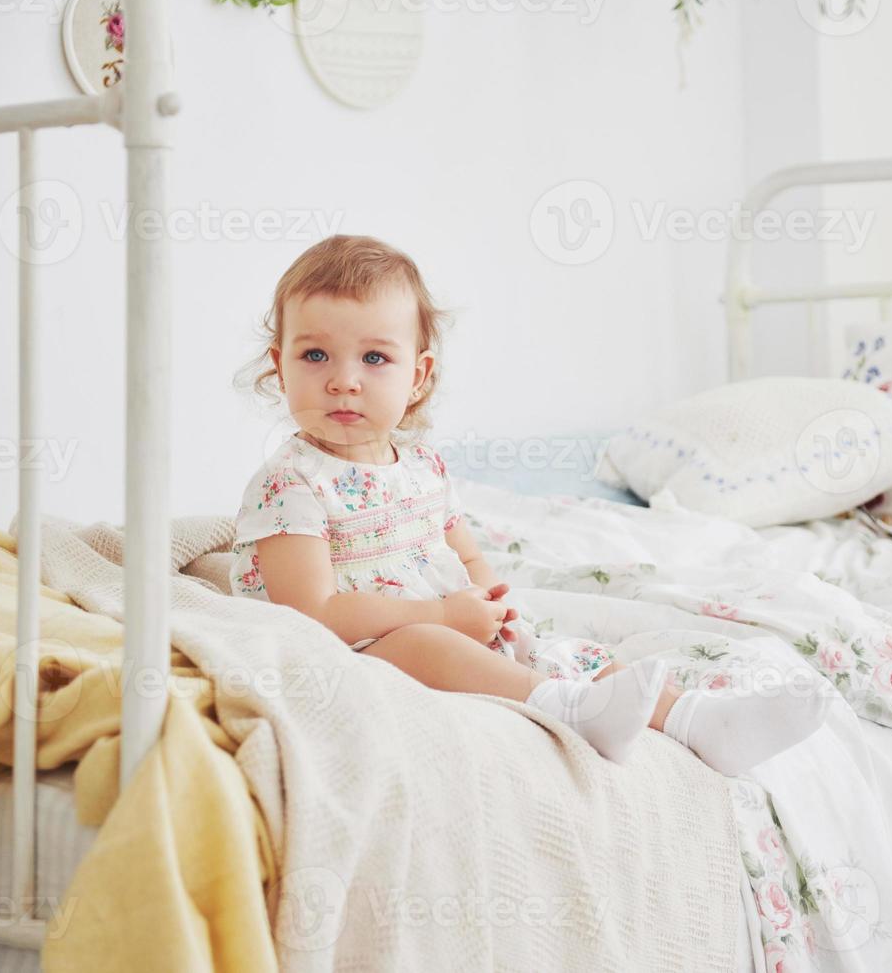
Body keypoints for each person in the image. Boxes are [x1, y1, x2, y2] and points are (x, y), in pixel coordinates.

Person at [229, 234, 825, 774]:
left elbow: (465, 556)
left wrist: (496, 608)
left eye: (375, 358)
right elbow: (312, 612)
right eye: (315, 356)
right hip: (362, 646)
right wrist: (438, 618)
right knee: (429, 647)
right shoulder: (291, 484)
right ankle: (568, 710)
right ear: (280, 368)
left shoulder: (421, 467)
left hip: (447, 622)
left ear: (418, 375)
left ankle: (700, 721)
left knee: (573, 653)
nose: (344, 380)